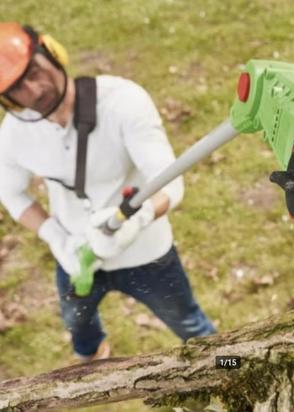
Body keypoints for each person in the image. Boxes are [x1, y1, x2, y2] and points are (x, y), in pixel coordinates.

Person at [0, 22, 216, 362]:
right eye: (18, 89)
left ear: (53, 54)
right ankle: (92, 360)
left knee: (191, 327)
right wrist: (57, 238)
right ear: (8, 101)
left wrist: (139, 218)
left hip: (147, 255)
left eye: (35, 72)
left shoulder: (123, 102)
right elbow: (12, 194)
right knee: (78, 326)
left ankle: (227, 364)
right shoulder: (14, 134)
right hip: (74, 256)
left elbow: (170, 182)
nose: (34, 90)